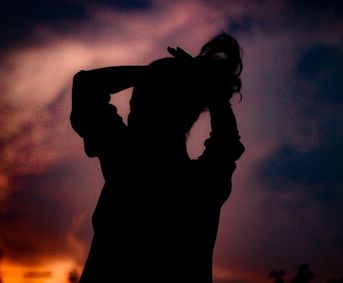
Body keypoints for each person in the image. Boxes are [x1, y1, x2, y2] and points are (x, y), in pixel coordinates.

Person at [70, 33, 245, 283]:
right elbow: (227, 142)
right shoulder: (204, 183)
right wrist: (211, 93)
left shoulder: (125, 161)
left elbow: (87, 86)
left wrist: (150, 73)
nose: (130, 113)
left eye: (137, 104)